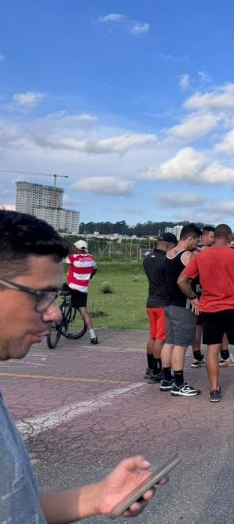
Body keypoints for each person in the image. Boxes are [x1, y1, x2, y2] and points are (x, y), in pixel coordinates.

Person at [0, 211, 166, 521]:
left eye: (54, 296)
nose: (54, 314)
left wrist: (98, 497)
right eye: (41, 295)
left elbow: (17, 508)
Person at [178, 224, 234, 403]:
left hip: (210, 309)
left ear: (214, 237)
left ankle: (214, 390)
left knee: (212, 350)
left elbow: (182, 281)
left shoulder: (200, 256)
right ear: (229, 237)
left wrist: (194, 298)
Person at [159, 224, 203, 396]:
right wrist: (193, 298)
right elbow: (187, 280)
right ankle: (178, 384)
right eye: (196, 241)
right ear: (190, 238)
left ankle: (166, 379)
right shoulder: (188, 256)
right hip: (183, 306)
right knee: (181, 345)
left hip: (169, 304)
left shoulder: (169, 253)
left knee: (169, 342)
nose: (196, 244)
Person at [143, 232, 177, 382]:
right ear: (170, 245)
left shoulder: (147, 258)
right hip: (163, 304)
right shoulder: (166, 260)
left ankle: (150, 368)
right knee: (161, 339)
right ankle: (158, 371)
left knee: (152, 336)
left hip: (151, 303)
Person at [65, 239, 98, 344]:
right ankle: (93, 336)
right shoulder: (91, 258)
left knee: (54, 290)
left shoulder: (73, 257)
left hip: (71, 287)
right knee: (84, 312)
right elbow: (95, 269)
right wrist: (90, 276)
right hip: (83, 289)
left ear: (77, 249)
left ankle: (55, 316)